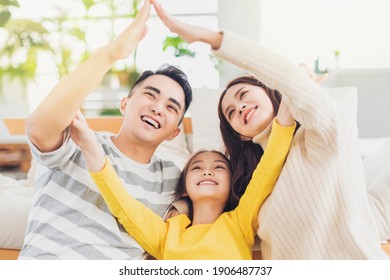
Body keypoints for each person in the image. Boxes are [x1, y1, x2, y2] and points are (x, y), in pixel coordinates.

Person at [152, 0, 390, 259]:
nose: (239, 106)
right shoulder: (249, 184)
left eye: (244, 94)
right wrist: (181, 207)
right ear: (241, 134)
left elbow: (290, 80)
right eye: (231, 112)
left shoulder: (326, 135)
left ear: (271, 93)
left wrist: (208, 37)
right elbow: (212, 201)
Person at [19, 0, 193, 260]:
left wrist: (183, 207)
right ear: (124, 104)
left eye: (171, 107)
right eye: (150, 95)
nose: (158, 108)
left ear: (174, 133)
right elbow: (38, 129)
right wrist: (110, 54)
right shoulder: (80, 139)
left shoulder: (171, 177)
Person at [69, 101, 296, 259]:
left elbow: (266, 172)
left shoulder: (240, 221)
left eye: (219, 167)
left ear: (231, 184)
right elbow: (124, 206)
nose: (207, 172)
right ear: (185, 189)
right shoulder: (169, 233)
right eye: (197, 168)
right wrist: (91, 148)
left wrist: (285, 120)